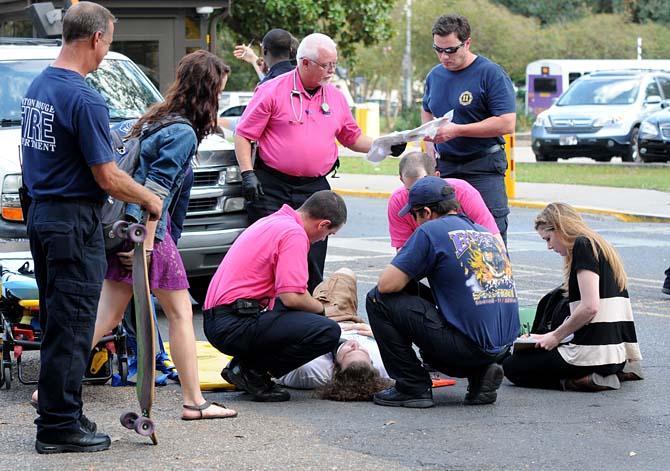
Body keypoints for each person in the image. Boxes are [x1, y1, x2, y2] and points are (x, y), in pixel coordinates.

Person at [21, 2, 162, 454]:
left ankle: (63, 410)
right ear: (97, 38)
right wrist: (148, 197)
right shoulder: (83, 97)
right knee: (75, 323)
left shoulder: (41, 85)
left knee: (61, 320)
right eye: (109, 42)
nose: (106, 53)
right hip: (72, 220)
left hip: (45, 215)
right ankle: (59, 427)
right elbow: (107, 175)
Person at [91, 50, 237, 422]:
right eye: (219, 91)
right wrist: (148, 245)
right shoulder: (181, 132)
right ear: (207, 91)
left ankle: (50, 389)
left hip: (128, 228)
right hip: (148, 233)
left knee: (106, 318)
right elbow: (156, 192)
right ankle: (193, 402)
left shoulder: (156, 118)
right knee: (181, 313)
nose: (220, 98)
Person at [234, 32, 404, 292]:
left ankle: (308, 310)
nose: (331, 71)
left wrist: (386, 144)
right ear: (304, 63)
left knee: (312, 257)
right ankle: (268, 310)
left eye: (334, 64)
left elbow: (352, 137)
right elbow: (244, 135)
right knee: (271, 252)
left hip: (314, 189)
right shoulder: (272, 90)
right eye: (326, 65)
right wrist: (248, 174)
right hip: (273, 184)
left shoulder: (334, 97)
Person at [366, 176, 519, 408]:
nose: (414, 222)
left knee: (377, 298)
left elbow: (387, 285)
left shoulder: (431, 231)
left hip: (466, 348)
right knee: (419, 291)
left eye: (413, 216)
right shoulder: (483, 232)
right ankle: (481, 373)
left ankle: (412, 386)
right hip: (502, 347)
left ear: (426, 212)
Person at [203, 190, 347, 402]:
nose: (323, 239)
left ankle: (243, 366)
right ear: (323, 225)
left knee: (300, 316)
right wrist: (323, 309)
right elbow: (292, 297)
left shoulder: (274, 221)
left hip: (221, 318)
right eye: (329, 234)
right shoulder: (294, 234)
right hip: (233, 324)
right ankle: (251, 371)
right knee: (326, 331)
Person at [503, 203, 643, 391]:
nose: (549, 246)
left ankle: (579, 380)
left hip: (594, 354)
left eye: (548, 238)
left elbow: (590, 307)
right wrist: (545, 335)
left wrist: (555, 336)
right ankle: (613, 372)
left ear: (560, 228)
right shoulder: (600, 245)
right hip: (617, 355)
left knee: (513, 366)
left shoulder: (582, 246)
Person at [422, 14, 516, 244]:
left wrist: (457, 130)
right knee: (447, 238)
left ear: (467, 43)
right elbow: (427, 110)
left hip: (482, 168)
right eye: (438, 49)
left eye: (451, 50)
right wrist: (428, 154)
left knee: (488, 236)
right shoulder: (434, 76)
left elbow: (506, 122)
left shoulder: (490, 73)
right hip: (446, 168)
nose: (444, 56)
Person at [276, 268, 391, 401]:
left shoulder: (310, 372)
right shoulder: (385, 367)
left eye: (349, 352)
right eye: (363, 351)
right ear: (372, 364)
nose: (355, 345)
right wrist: (379, 333)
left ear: (334, 368)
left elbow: (274, 364)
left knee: (288, 290)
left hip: (321, 320)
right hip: (346, 318)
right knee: (346, 273)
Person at [388, 151, 501, 250]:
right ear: (402, 180)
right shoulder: (397, 201)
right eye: (410, 190)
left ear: (437, 176)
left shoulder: (463, 192)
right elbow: (404, 250)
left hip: (471, 253)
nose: (418, 195)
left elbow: (493, 237)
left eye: (424, 186)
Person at [233, 29, 297, 85]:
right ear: (290, 50)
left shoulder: (266, 85)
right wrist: (253, 58)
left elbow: (269, 84)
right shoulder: (302, 78)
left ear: (264, 50)